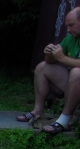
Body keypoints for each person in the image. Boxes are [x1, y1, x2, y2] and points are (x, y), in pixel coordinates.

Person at [16, 7, 80, 135]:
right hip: (75, 84)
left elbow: (63, 59)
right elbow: (51, 61)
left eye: (71, 25)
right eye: (67, 26)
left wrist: (62, 58)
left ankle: (64, 120)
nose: (68, 30)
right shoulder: (72, 38)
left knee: (77, 73)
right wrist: (50, 54)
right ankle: (38, 111)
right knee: (42, 67)